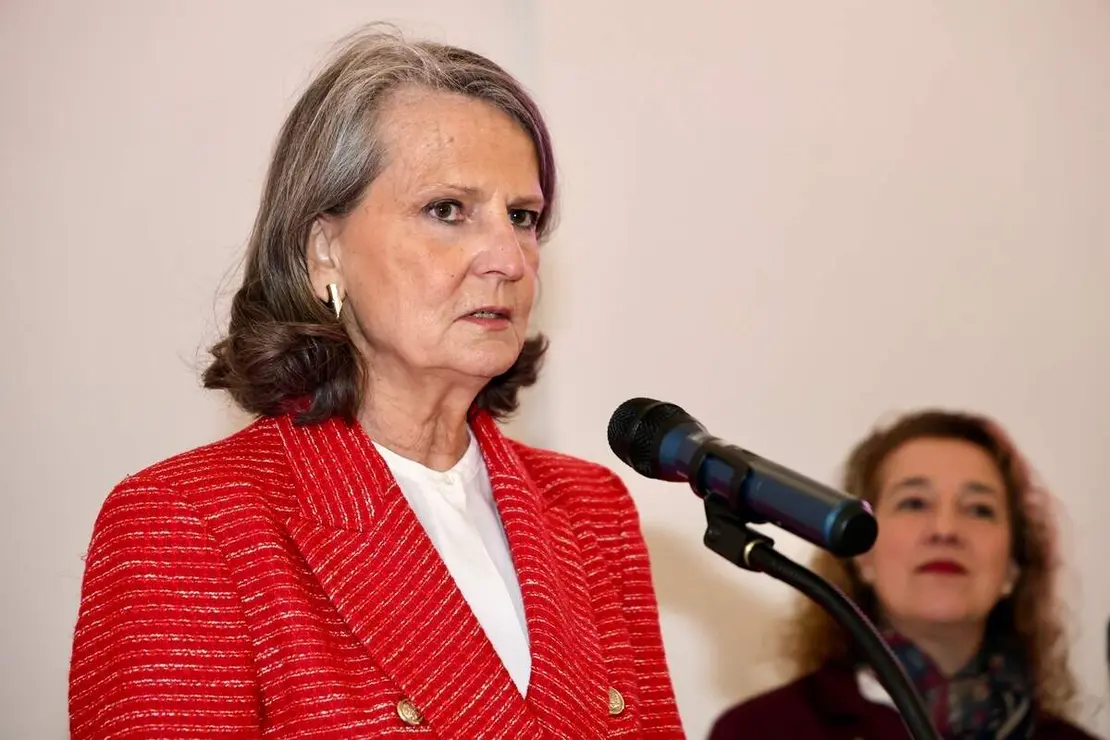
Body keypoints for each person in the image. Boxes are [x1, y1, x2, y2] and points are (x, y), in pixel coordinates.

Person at [68, 25, 683, 739]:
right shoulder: (190, 524)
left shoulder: (591, 513)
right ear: (324, 253)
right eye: (447, 210)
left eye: (523, 217)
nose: (508, 258)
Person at [709, 409, 1096, 739]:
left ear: (1014, 567)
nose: (945, 529)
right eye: (914, 502)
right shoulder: (761, 731)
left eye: (979, 509)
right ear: (862, 557)